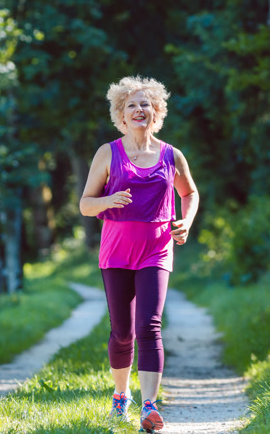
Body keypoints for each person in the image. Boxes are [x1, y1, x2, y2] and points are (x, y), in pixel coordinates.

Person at [79, 75, 199, 433]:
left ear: (157, 111)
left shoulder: (170, 154)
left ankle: (149, 405)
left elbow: (189, 194)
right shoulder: (108, 153)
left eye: (145, 104)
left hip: (156, 250)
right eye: (131, 105)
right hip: (115, 252)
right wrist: (107, 200)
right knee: (122, 332)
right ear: (121, 114)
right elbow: (85, 205)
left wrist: (186, 222)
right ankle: (121, 396)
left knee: (150, 326)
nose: (139, 110)